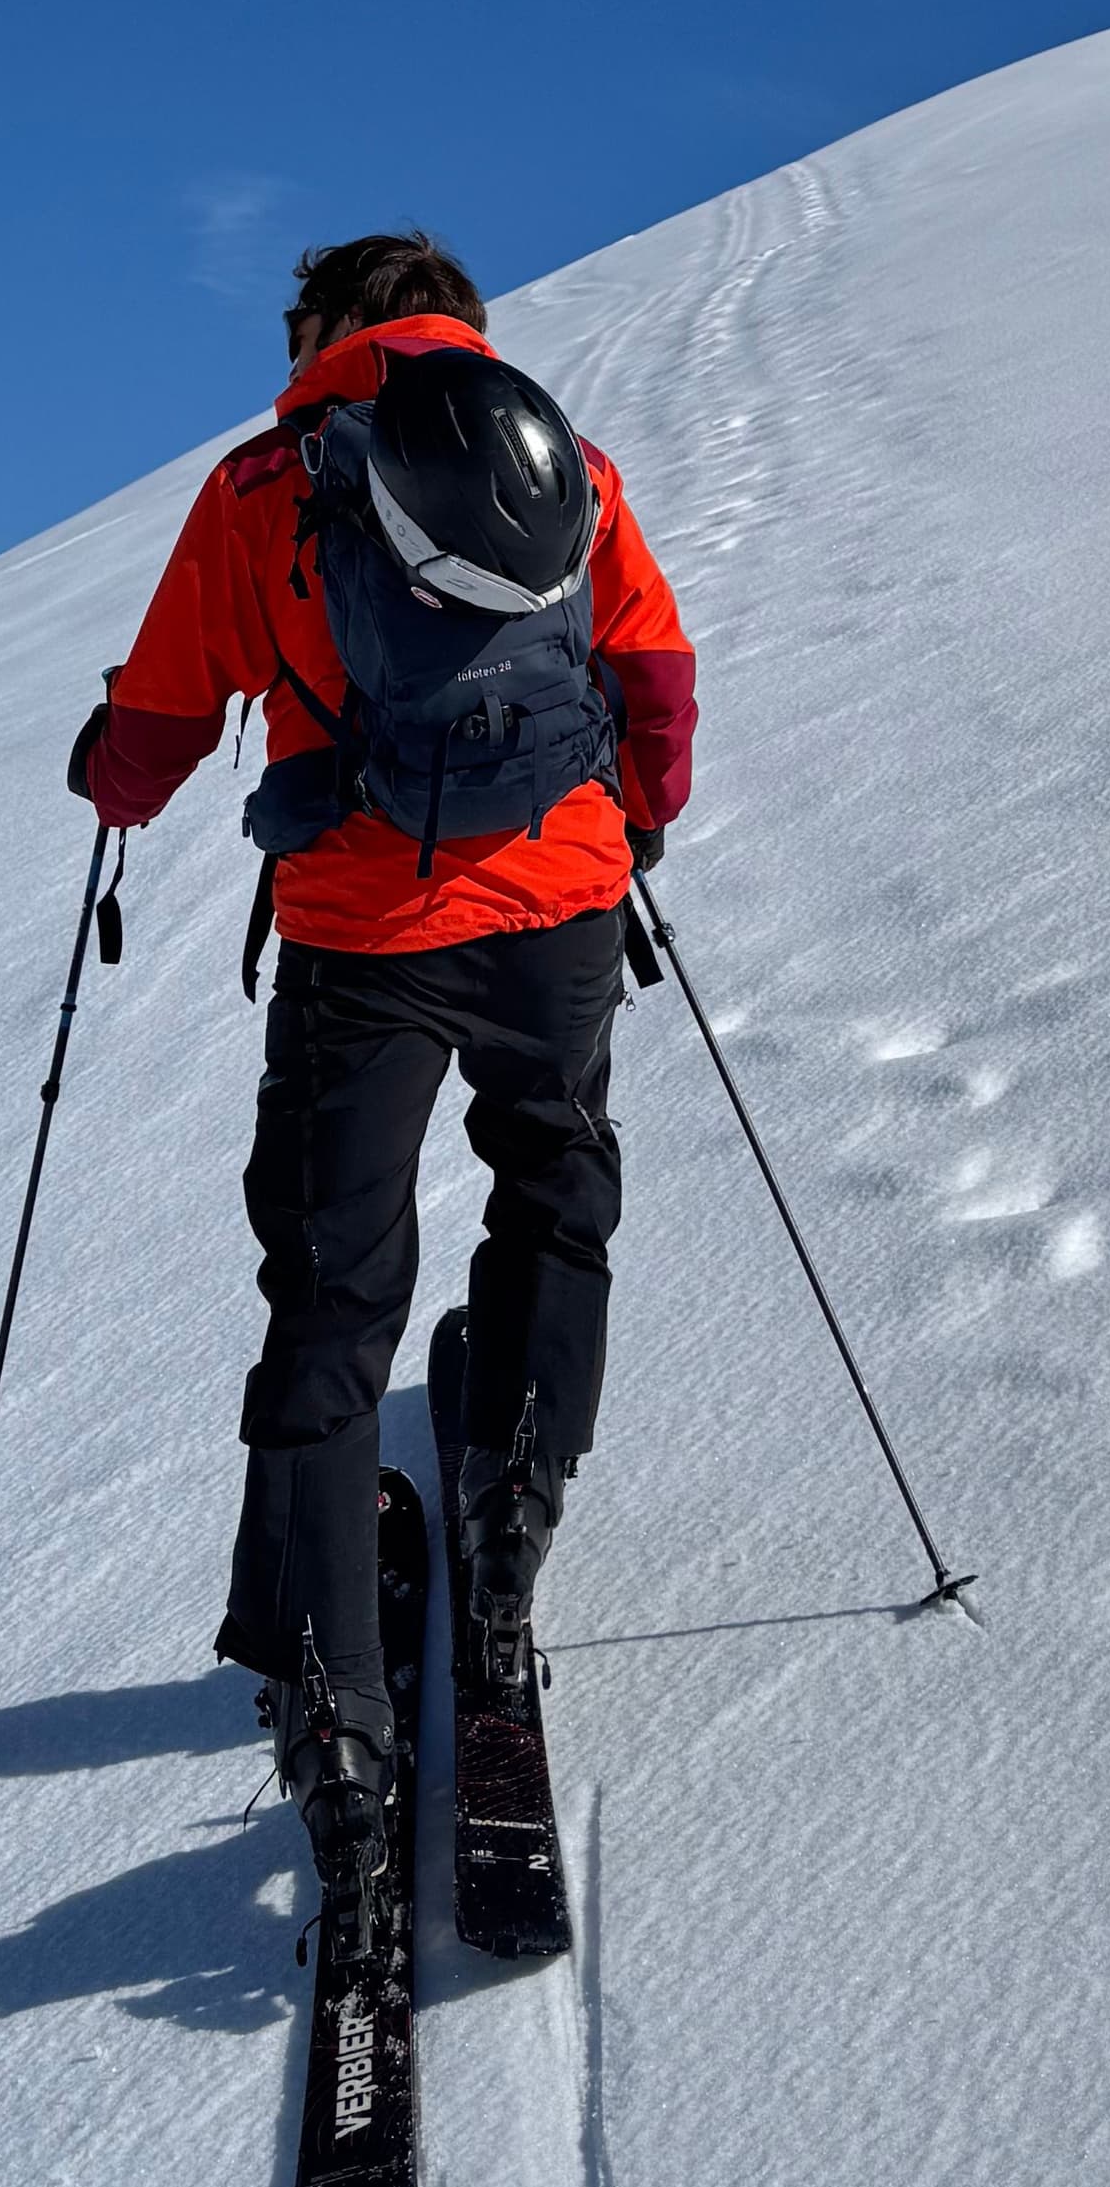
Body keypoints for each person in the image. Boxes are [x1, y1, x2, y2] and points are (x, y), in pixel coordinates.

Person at [71, 229, 696, 1939]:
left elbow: (167, 714)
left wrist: (106, 770)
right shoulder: (563, 459)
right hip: (560, 901)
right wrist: (634, 819)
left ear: (335, 326)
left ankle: (336, 1707)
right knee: (558, 1185)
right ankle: (514, 1513)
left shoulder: (264, 484)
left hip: (365, 930)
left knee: (336, 1290)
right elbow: (651, 670)